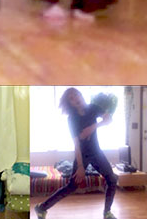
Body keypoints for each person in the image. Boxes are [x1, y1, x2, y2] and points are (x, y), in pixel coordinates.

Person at [33, 88, 117, 219]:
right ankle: (42, 207)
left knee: (112, 179)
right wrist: (80, 166)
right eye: (71, 98)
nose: (75, 99)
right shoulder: (72, 119)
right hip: (82, 154)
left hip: (96, 152)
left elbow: (108, 120)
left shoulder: (93, 108)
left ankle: (107, 213)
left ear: (81, 95)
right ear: (69, 104)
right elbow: (77, 144)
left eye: (76, 95)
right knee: (72, 186)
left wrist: (96, 125)